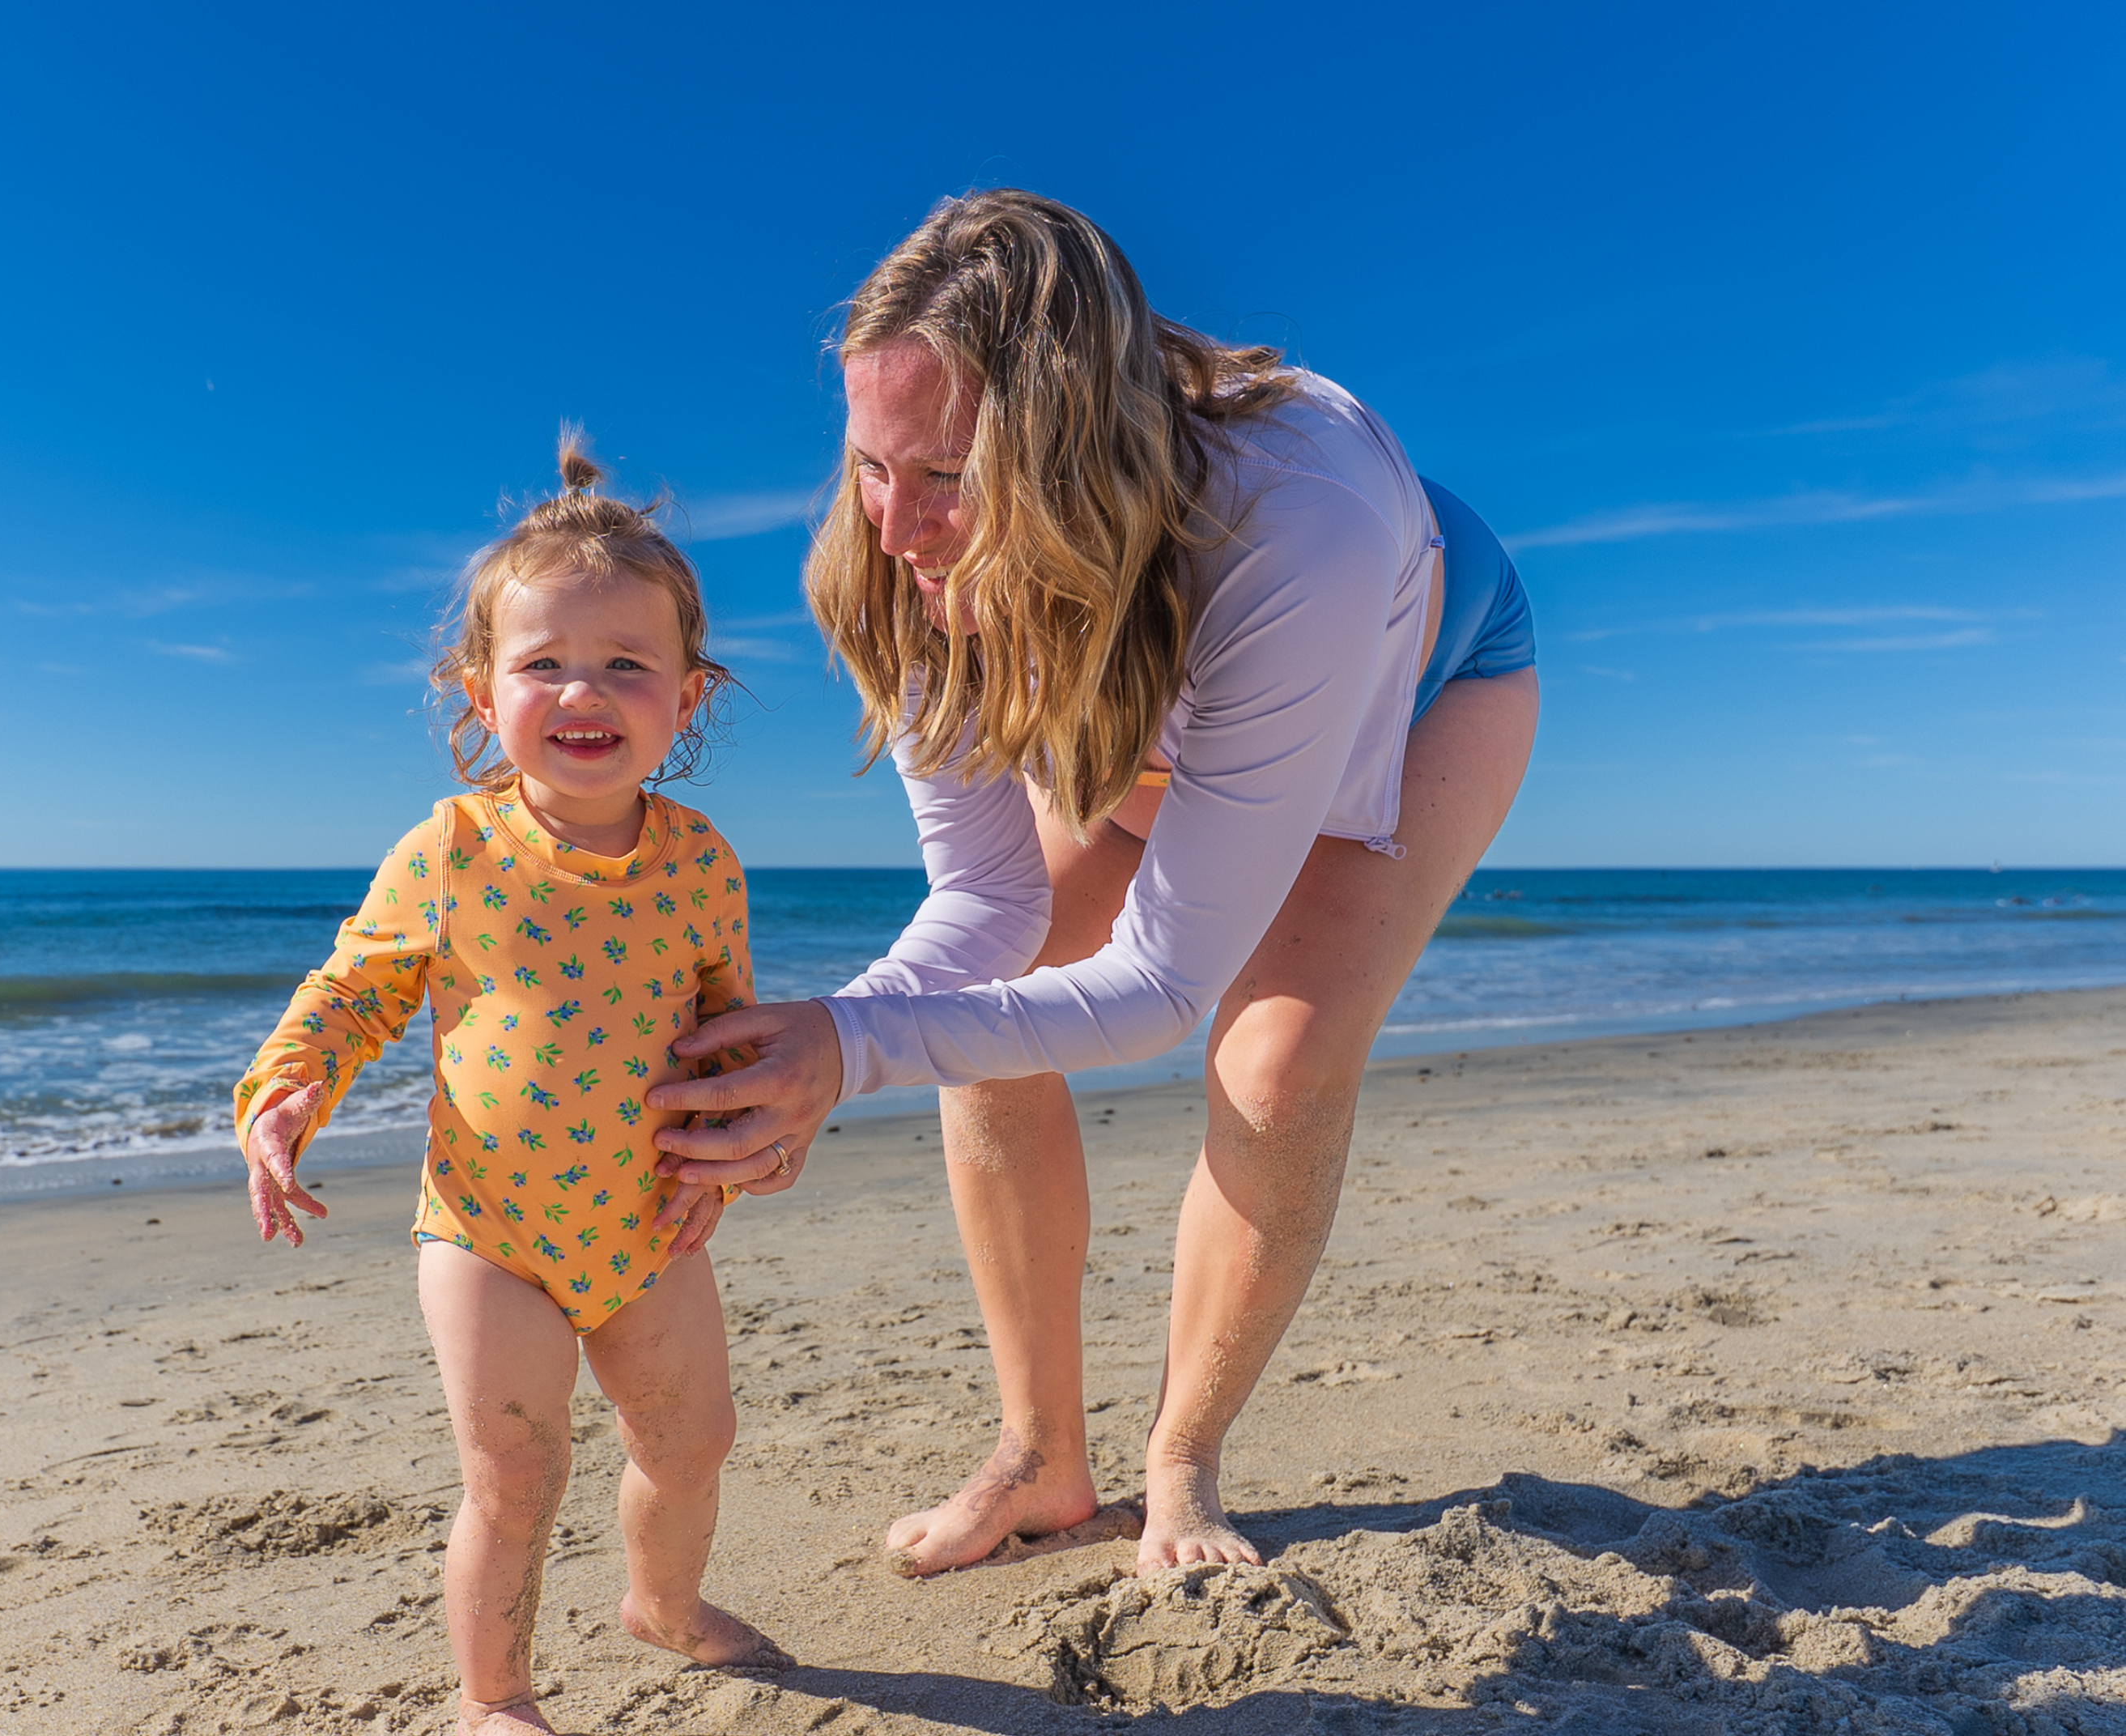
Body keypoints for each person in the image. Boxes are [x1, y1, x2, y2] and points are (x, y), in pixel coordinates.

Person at [646, 191, 1539, 1577]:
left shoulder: (1301, 522)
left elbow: (1162, 986)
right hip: (1156, 689)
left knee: (1277, 1067)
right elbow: (989, 908)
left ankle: (1182, 1463)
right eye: (872, 463)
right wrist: (829, 1033)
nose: (894, 525)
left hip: (1419, 678)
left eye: (940, 476)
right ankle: (1038, 1459)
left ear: (1065, 447)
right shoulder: (904, 562)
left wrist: (851, 1050)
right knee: (988, 1010)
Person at [236, 436, 788, 1736]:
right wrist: (291, 1086)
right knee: (516, 1471)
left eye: (626, 665)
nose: (582, 692)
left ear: (688, 699)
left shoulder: (702, 862)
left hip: (652, 1220)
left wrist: (739, 1150)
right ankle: (495, 1701)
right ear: (480, 694)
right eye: (543, 664)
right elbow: (356, 984)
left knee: (690, 1439)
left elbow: (731, 1034)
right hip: (486, 1231)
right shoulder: (453, 848)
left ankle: (662, 1604)